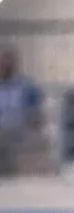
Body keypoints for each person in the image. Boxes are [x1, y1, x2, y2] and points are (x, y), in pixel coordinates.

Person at [0, 48, 43, 176]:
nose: (5, 65)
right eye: (3, 61)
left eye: (8, 61)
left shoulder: (27, 86)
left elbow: (36, 112)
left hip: (21, 133)